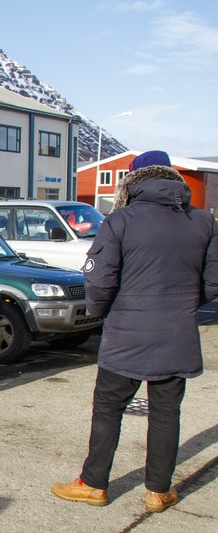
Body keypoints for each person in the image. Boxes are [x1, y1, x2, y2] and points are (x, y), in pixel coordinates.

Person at [51, 150, 218, 513]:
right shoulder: (203, 221)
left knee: (108, 409)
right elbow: (213, 280)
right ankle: (158, 491)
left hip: (126, 332)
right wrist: (184, 303)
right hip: (178, 333)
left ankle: (94, 484)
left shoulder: (121, 220)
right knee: (166, 413)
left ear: (132, 182)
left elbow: (99, 277)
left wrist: (103, 311)